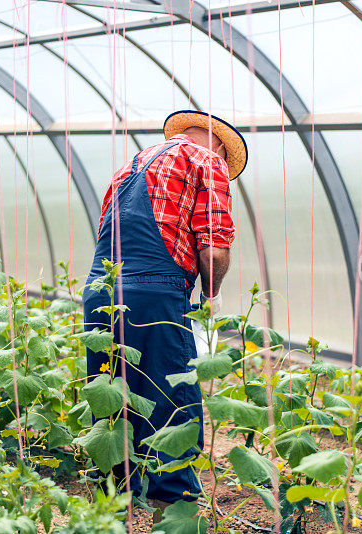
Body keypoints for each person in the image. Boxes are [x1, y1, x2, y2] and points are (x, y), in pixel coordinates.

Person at [82, 110, 248, 517]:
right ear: (222, 147)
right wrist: (212, 294)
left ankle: (110, 514)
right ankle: (172, 514)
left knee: (113, 406)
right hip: (155, 294)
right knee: (170, 402)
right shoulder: (208, 161)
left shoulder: (132, 165)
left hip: (101, 290)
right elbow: (213, 246)